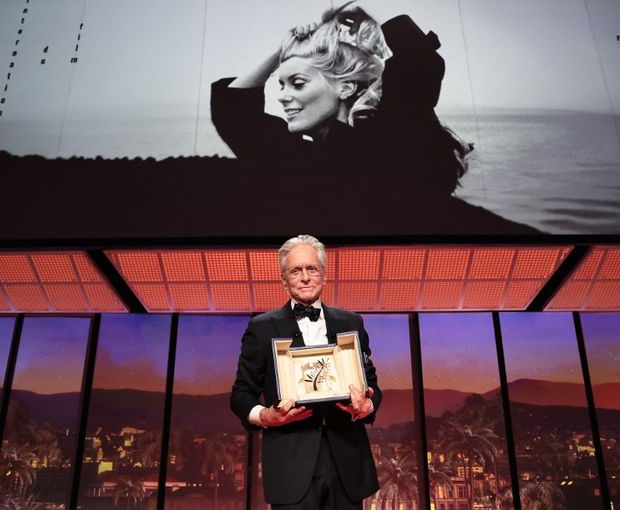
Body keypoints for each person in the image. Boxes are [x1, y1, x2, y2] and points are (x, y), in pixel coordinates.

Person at [211, 3, 541, 235]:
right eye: (280, 84)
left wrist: (365, 12)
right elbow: (235, 115)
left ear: (346, 87)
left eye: (297, 83)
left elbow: (418, 63)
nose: (282, 96)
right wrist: (285, 46)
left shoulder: (392, 140)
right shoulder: (299, 158)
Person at [230, 234, 381, 509]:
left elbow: (372, 384)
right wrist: (265, 416)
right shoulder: (261, 327)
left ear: (323, 274)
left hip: (347, 460)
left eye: (312, 269)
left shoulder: (351, 322)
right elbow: (241, 393)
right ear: (284, 279)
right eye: (295, 270)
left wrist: (368, 404)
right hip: (290, 464)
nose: (305, 277)